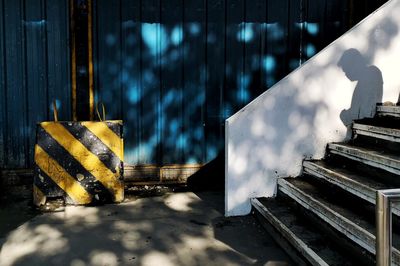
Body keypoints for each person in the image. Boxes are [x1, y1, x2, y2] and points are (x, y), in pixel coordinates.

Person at [337, 48, 383, 126]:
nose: (346, 74)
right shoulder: (362, 81)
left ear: (354, 64)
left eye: (346, 70)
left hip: (369, 126)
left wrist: (346, 115)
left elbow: (366, 112)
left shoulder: (371, 73)